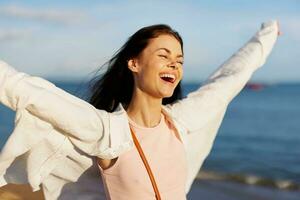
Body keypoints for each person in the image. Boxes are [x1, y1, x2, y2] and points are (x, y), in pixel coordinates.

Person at [0, 20, 281, 199]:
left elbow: (227, 81)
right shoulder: (107, 132)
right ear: (134, 64)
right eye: (163, 55)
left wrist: (265, 38)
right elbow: (24, 90)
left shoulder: (180, 123)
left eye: (179, 60)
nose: (174, 64)